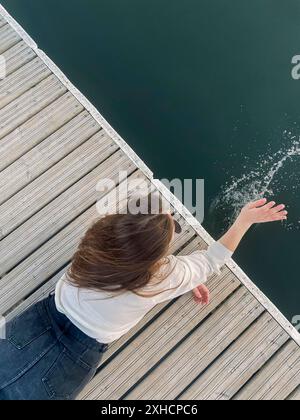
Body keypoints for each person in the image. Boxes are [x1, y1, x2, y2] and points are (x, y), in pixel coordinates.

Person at [0, 197, 287, 400]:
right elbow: (212, 260)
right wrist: (244, 221)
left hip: (40, 320)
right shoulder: (160, 279)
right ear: (155, 260)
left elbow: (134, 267)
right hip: (76, 356)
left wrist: (175, 282)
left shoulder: (96, 241)